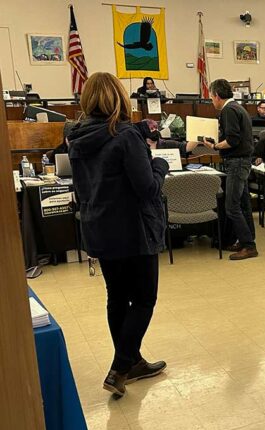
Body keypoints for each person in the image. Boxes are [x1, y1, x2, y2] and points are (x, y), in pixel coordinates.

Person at [67, 72, 168, 397]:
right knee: (143, 299)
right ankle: (121, 366)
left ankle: (132, 362)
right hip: (134, 230)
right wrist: (160, 164)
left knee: (116, 297)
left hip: (99, 227)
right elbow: (148, 189)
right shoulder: (125, 135)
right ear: (119, 99)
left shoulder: (76, 137)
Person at [203, 79, 257, 260]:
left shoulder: (228, 110)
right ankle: (246, 240)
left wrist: (215, 147)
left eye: (211, 97)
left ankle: (249, 246)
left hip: (237, 162)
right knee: (243, 204)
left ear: (217, 95)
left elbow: (232, 140)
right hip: (244, 161)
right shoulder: (239, 108)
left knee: (231, 206)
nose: (212, 101)